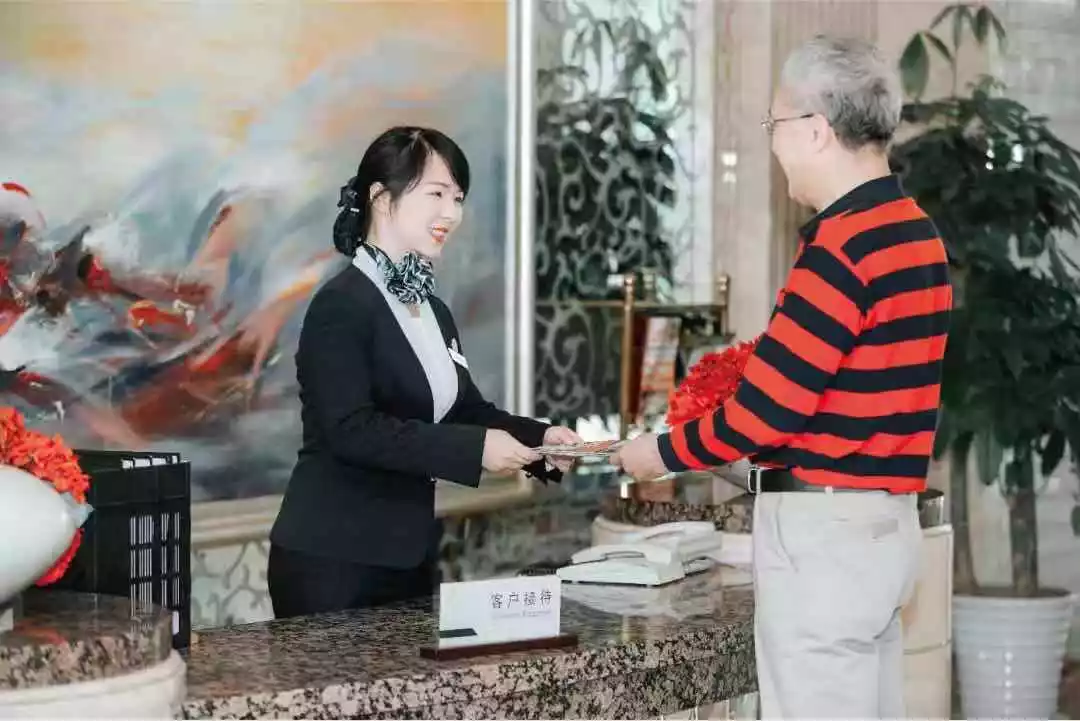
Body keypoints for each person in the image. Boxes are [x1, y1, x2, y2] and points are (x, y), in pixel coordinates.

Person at [613, 36, 951, 719]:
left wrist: (661, 452)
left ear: (816, 129)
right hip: (886, 527)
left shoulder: (842, 246)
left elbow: (766, 412)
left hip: (826, 537)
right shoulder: (917, 232)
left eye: (774, 124)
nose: (774, 144)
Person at [268, 126, 581, 618]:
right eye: (436, 194)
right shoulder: (341, 305)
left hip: (408, 557)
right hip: (333, 560)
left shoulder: (432, 309)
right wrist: (476, 450)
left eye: (458, 199)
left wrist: (541, 442)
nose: (451, 214)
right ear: (381, 199)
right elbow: (351, 429)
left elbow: (465, 410)